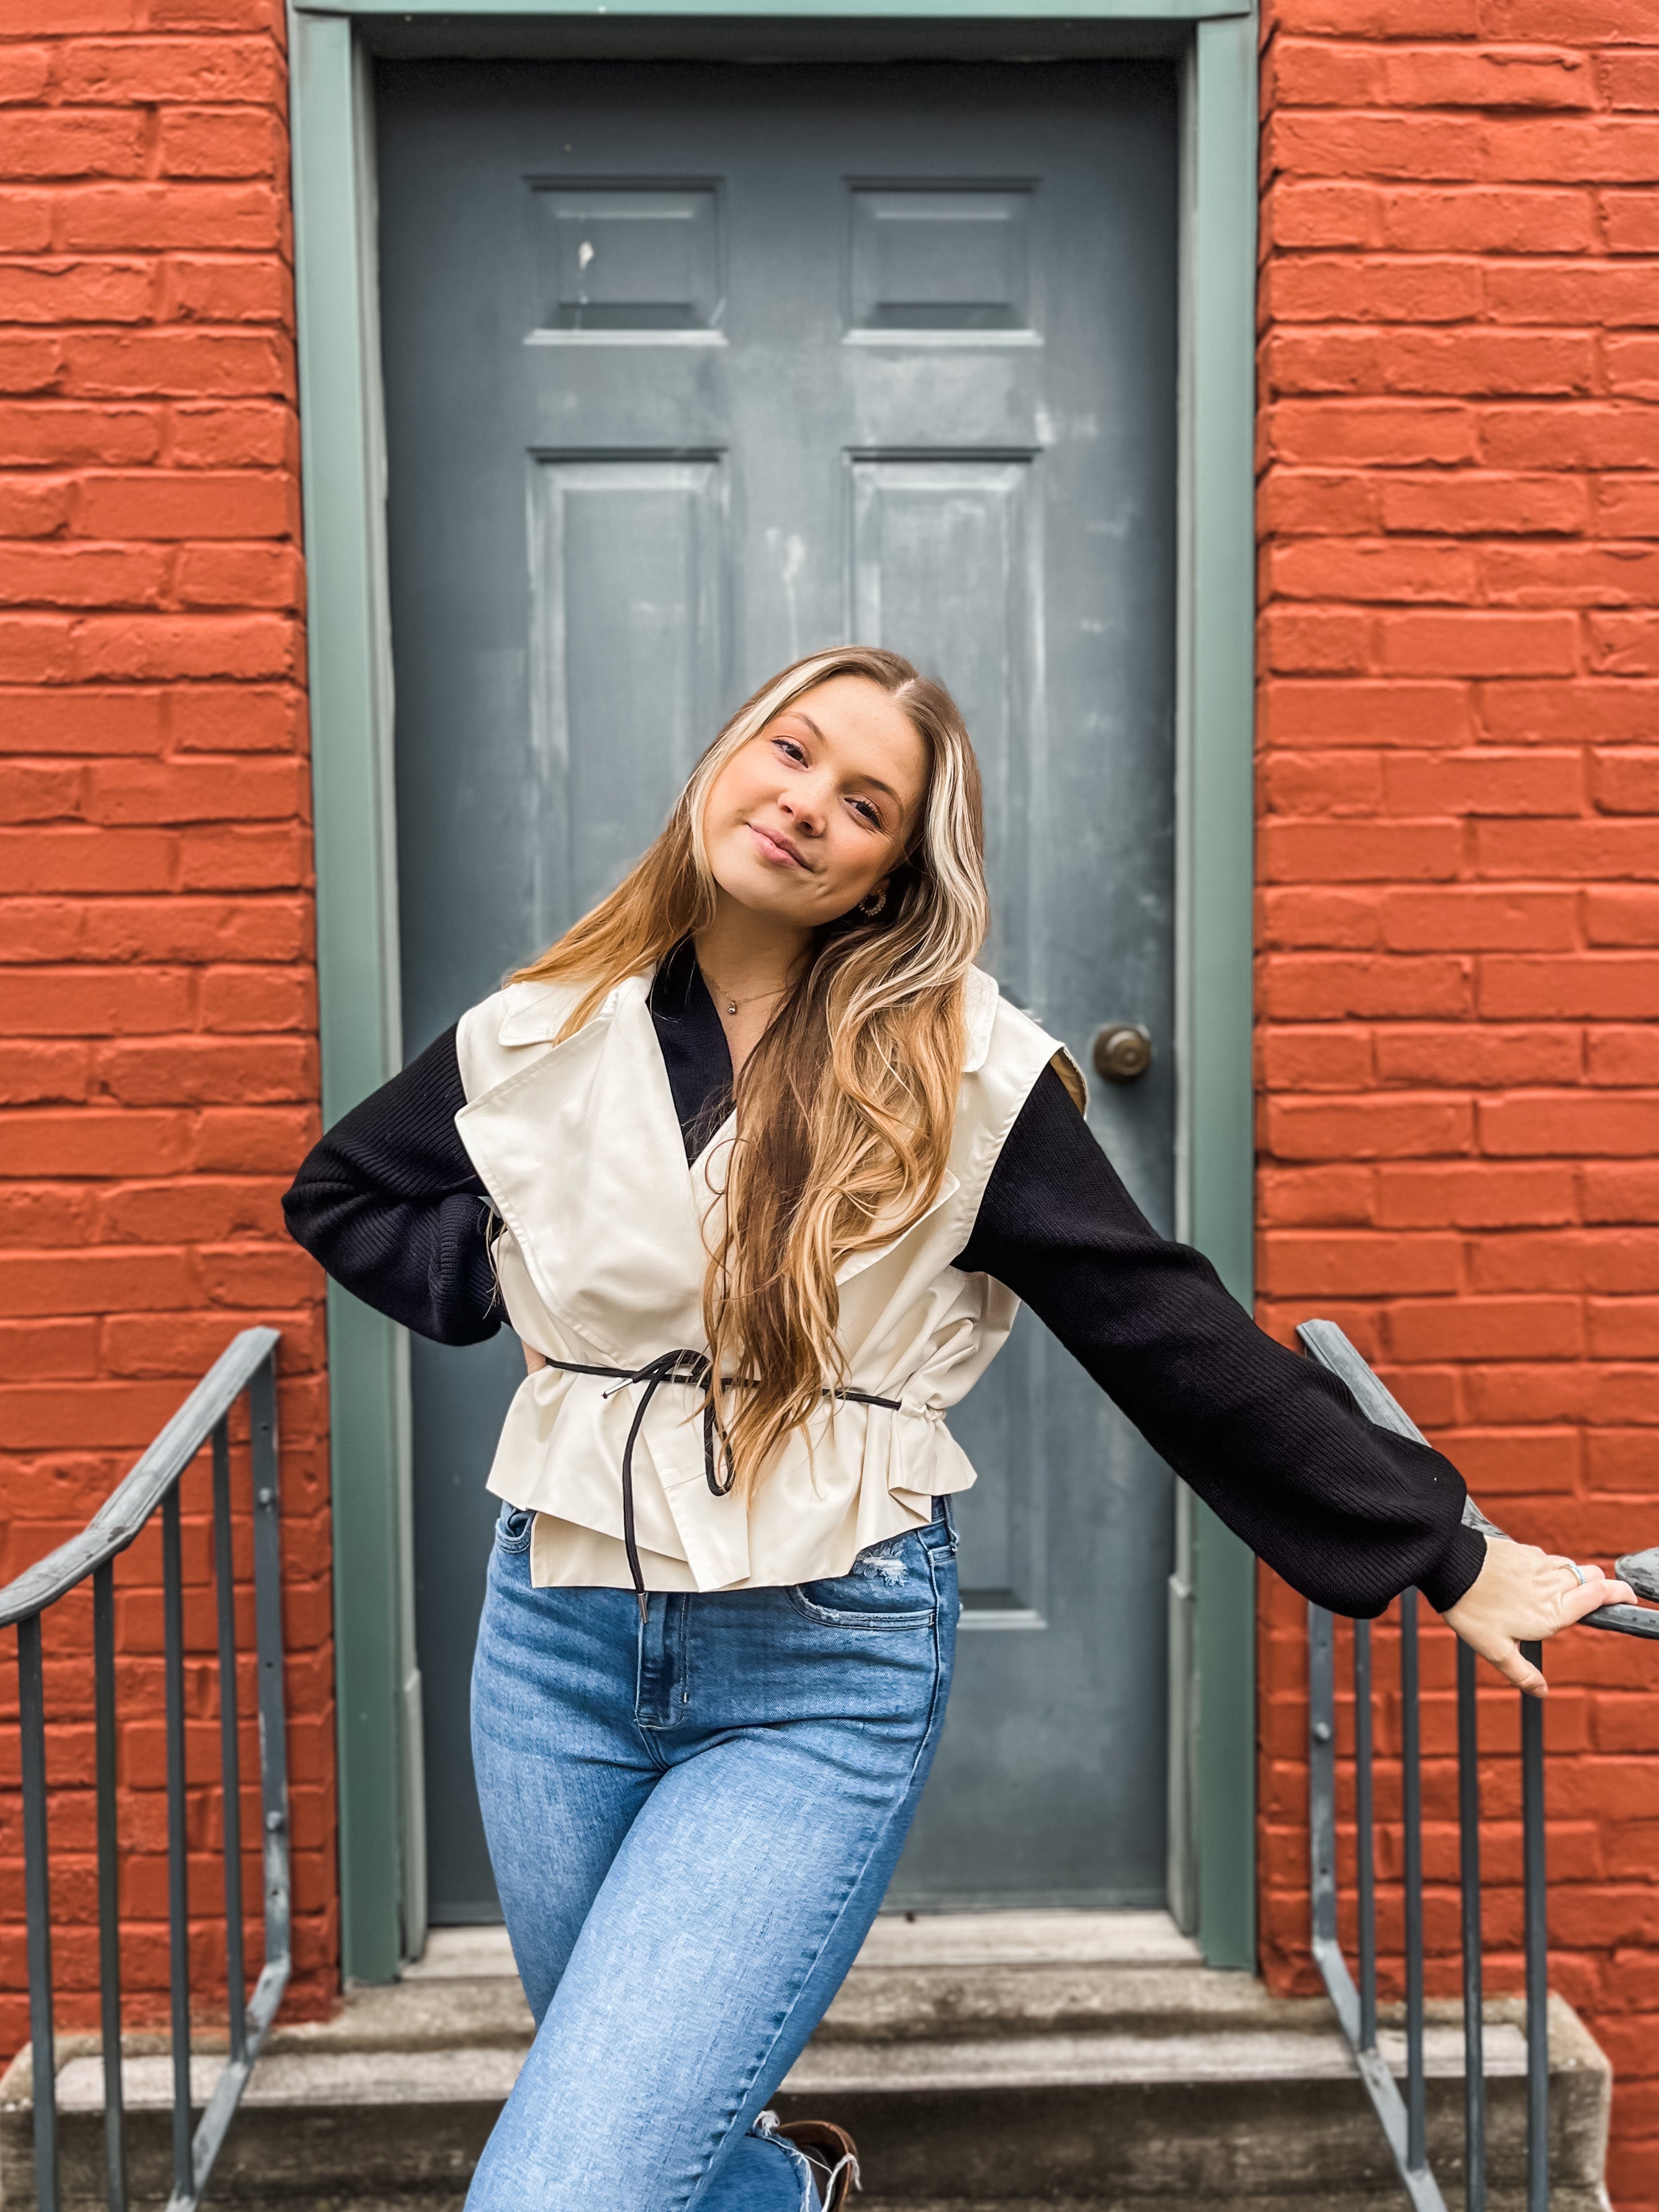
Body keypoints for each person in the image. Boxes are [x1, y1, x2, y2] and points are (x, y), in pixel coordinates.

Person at [284, 645, 1634, 2212]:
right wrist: (490, 1273)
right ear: (728, 756)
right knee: (655, 2150)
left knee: (563, 2188)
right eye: (790, 755)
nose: (804, 808)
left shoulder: (961, 1074)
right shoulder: (542, 1026)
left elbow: (1160, 1325)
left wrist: (1446, 1552)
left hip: (813, 1666)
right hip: (555, 1642)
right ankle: (789, 2197)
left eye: (862, 804)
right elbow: (344, 1192)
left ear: (887, 874)